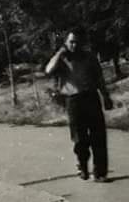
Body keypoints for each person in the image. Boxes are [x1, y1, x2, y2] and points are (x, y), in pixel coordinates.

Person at [45, 30, 114, 182]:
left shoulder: (89, 57)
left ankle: (100, 173)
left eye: (77, 42)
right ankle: (82, 166)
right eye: (71, 42)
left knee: (98, 136)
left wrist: (105, 96)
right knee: (79, 138)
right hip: (73, 100)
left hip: (91, 97)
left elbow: (99, 78)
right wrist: (59, 53)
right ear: (66, 43)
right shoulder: (62, 59)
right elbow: (48, 70)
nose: (74, 45)